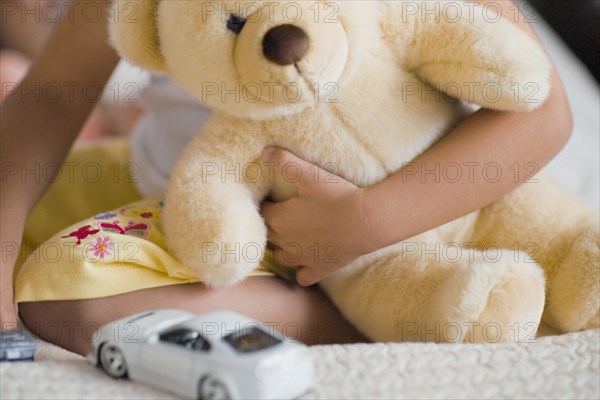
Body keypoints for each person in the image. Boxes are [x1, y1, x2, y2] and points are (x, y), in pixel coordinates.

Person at [0, 0, 573, 355]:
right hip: (209, 214)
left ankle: (364, 319)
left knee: (82, 310)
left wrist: (365, 221)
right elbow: (51, 95)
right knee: (44, 284)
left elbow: (543, 112)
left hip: (402, 220)